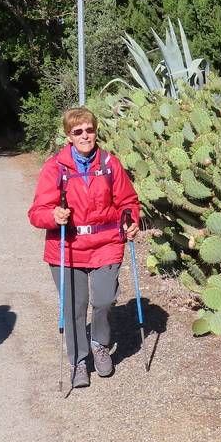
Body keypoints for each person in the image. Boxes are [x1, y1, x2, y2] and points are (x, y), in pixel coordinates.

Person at [28, 107, 141, 388]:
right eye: (78, 131)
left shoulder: (109, 163)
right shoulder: (55, 167)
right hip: (68, 244)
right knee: (75, 307)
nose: (85, 135)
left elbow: (128, 201)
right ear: (69, 135)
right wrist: (53, 216)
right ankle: (79, 359)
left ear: (96, 131)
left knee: (103, 299)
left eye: (89, 130)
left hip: (106, 242)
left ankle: (99, 343)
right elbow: (37, 212)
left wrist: (131, 220)